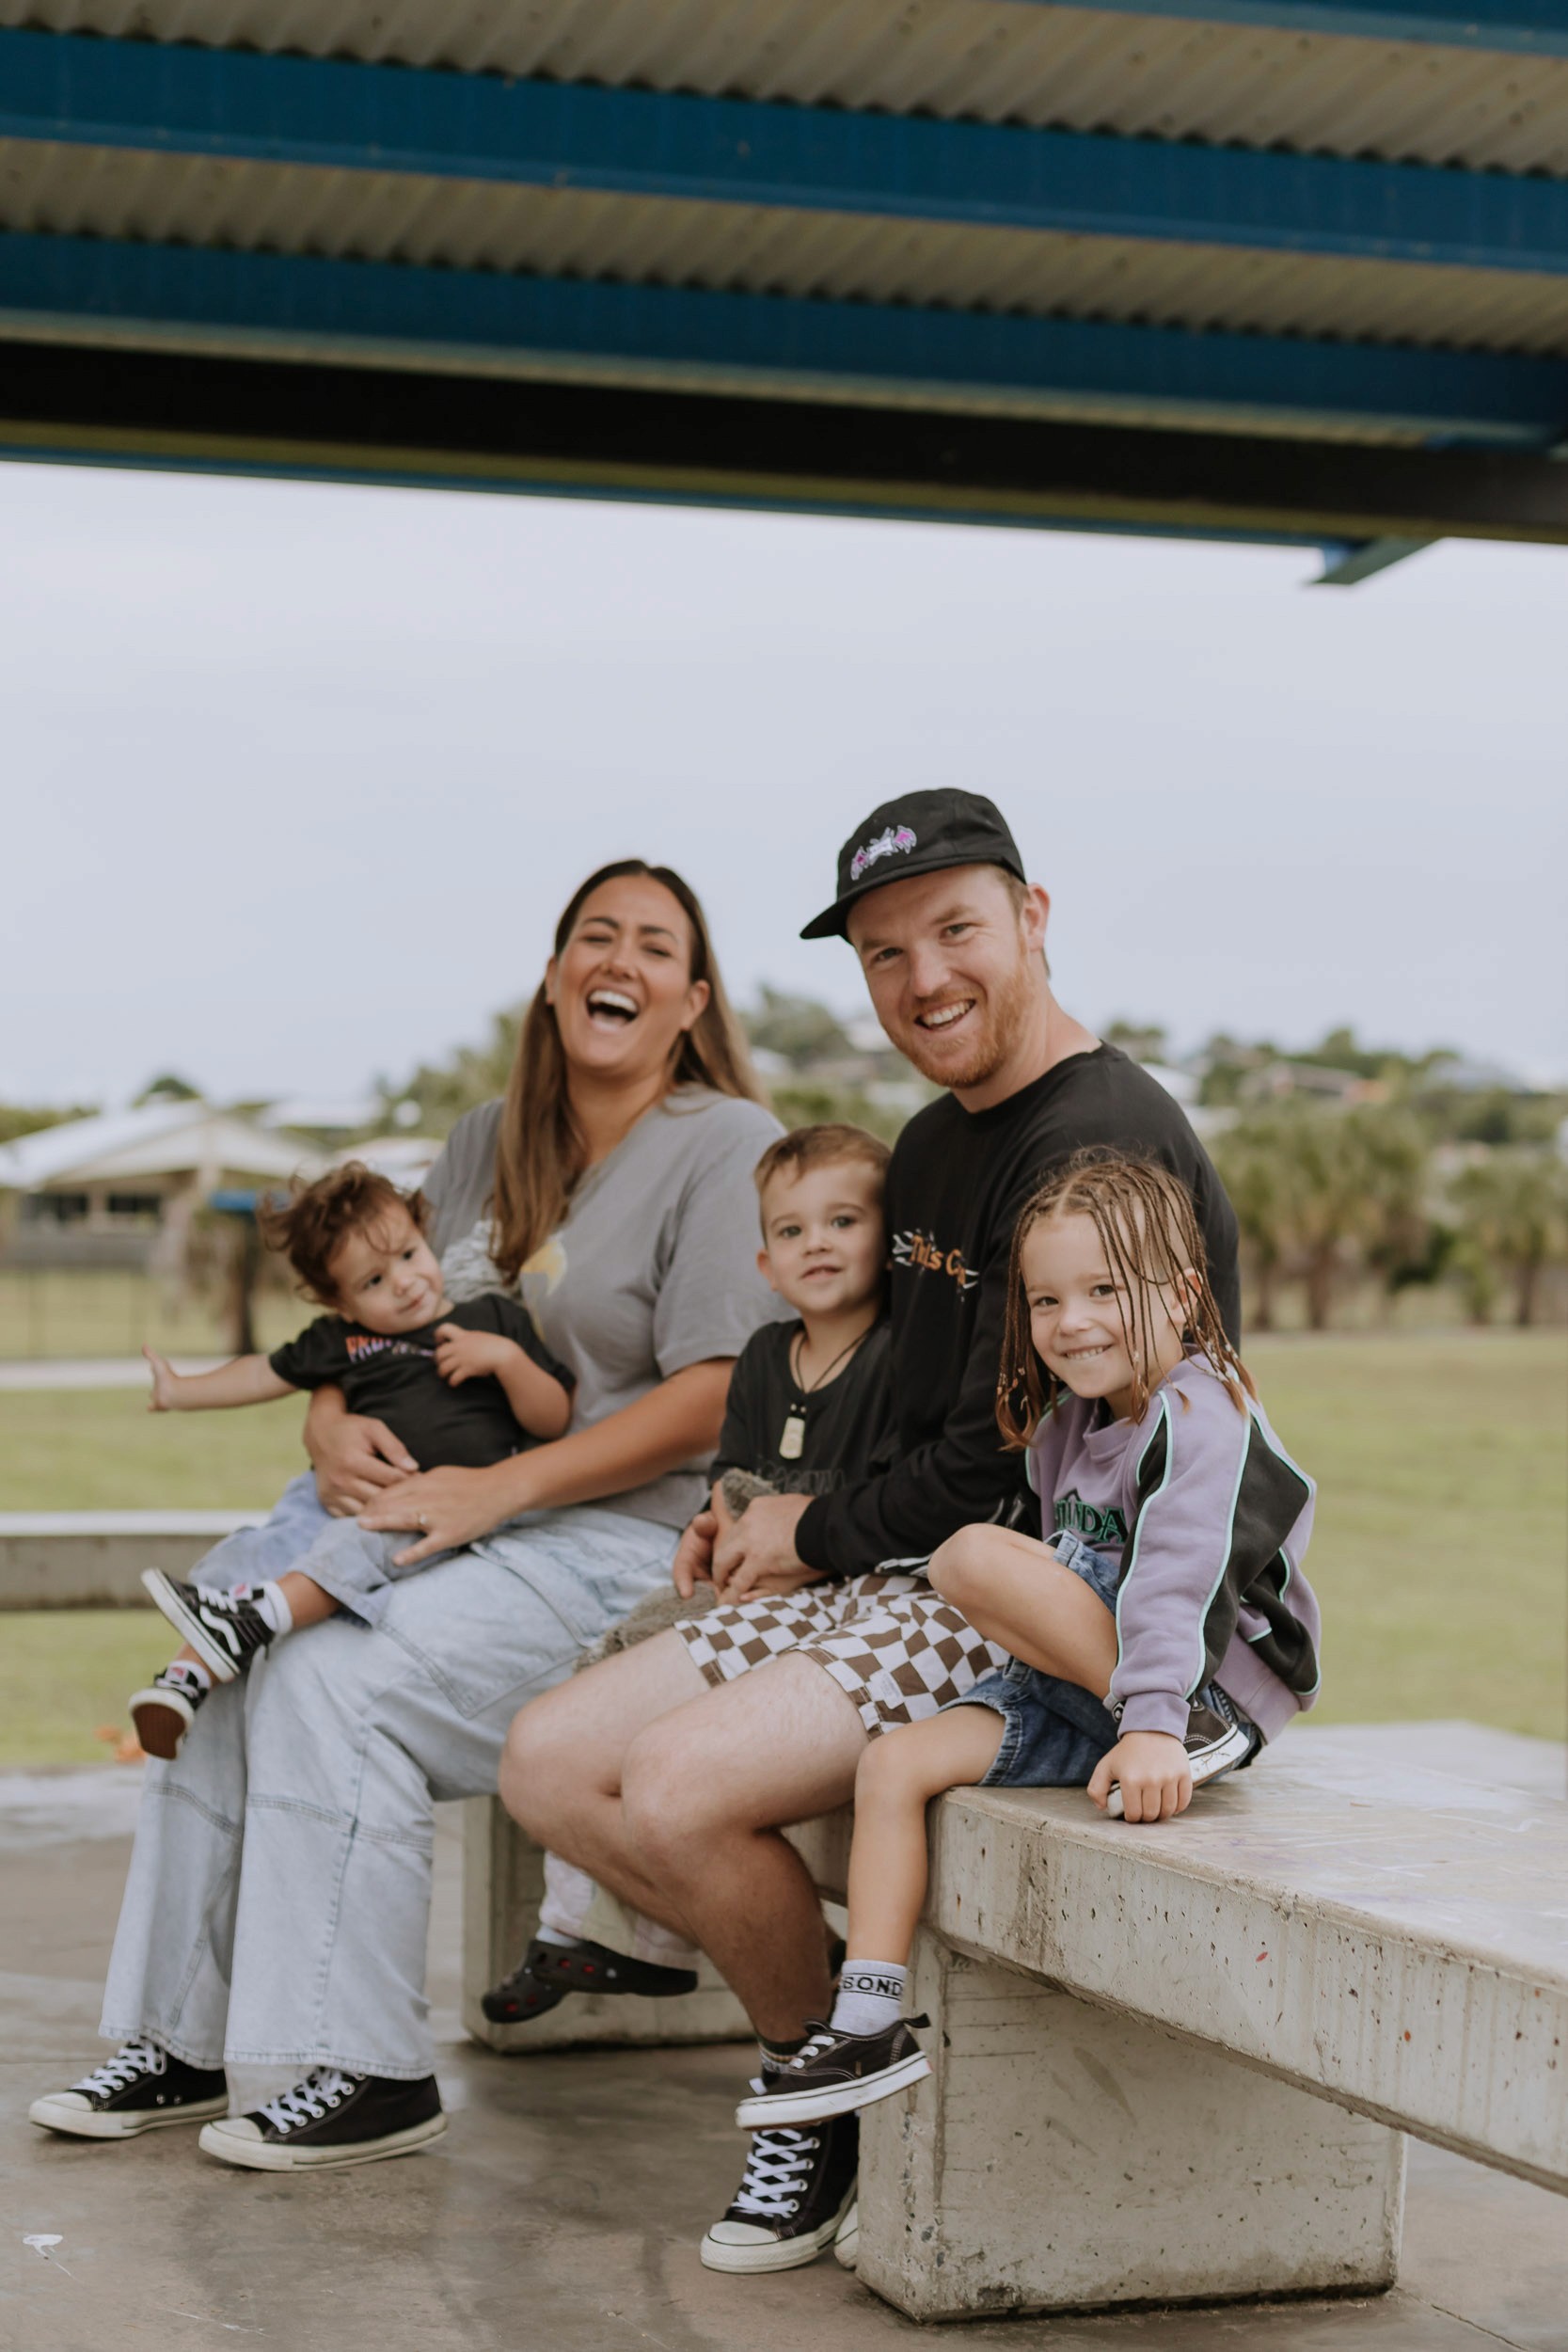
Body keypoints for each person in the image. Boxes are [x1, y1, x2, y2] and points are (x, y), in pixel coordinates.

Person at [506, 789, 1244, 2274]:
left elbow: (995, 1462)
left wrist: (820, 1530)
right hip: (895, 1566)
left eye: (954, 932)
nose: (922, 981)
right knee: (545, 1764)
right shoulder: (927, 1145)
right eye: (883, 953)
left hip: (1024, 1599)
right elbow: (899, 1398)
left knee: (667, 1790)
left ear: (1032, 920)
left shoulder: (1096, 1142)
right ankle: (823, 2048)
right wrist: (754, 1510)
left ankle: (803, 2100)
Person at [27, 859, 785, 2170]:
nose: (618, 960)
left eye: (652, 947)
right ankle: (176, 2040)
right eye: (591, 937)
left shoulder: (724, 1146)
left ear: (689, 999)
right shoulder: (484, 1143)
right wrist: (325, 1425)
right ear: (553, 979)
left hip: (618, 1540)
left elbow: (713, 1396)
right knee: (217, 1653)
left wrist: (503, 1487)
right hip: (442, 1516)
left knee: (333, 1680)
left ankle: (372, 2071)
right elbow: (390, 1321)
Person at [734, 1150, 1319, 2133]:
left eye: (1102, 1290)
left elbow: (1178, 1580)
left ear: (1180, 1293)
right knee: (891, 1763)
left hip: (1193, 1688)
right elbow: (1069, 1571)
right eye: (1046, 1300)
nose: (1070, 1321)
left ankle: (1178, 1723)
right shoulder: (1064, 1424)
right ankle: (869, 2015)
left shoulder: (1198, 1414)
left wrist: (1156, 1721)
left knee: (967, 1556)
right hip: (1096, 1689)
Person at [483, 1120, 896, 2026]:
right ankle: (621, 1932)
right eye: (791, 1231)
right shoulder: (760, 1360)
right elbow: (732, 1487)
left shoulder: (899, 1356)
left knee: (675, 1748)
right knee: (616, 1658)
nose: (816, 1244)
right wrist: (715, 1530)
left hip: (842, 1608)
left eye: (842, 1221)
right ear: (762, 1263)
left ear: (890, 1234)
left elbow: (889, 1507)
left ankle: (630, 1936)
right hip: (750, 1592)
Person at [129, 1164, 574, 1760]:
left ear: (423, 1232)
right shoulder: (340, 1342)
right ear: (339, 1300)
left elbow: (554, 1417)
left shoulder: (492, 1320)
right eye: (373, 1281)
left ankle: (252, 1620)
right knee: (257, 1547)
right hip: (333, 1495)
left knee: (350, 1547)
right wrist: (180, 1391)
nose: (405, 1283)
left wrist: (508, 1361)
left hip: (429, 1509)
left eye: (411, 1255)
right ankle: (184, 1679)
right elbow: (261, 1372)